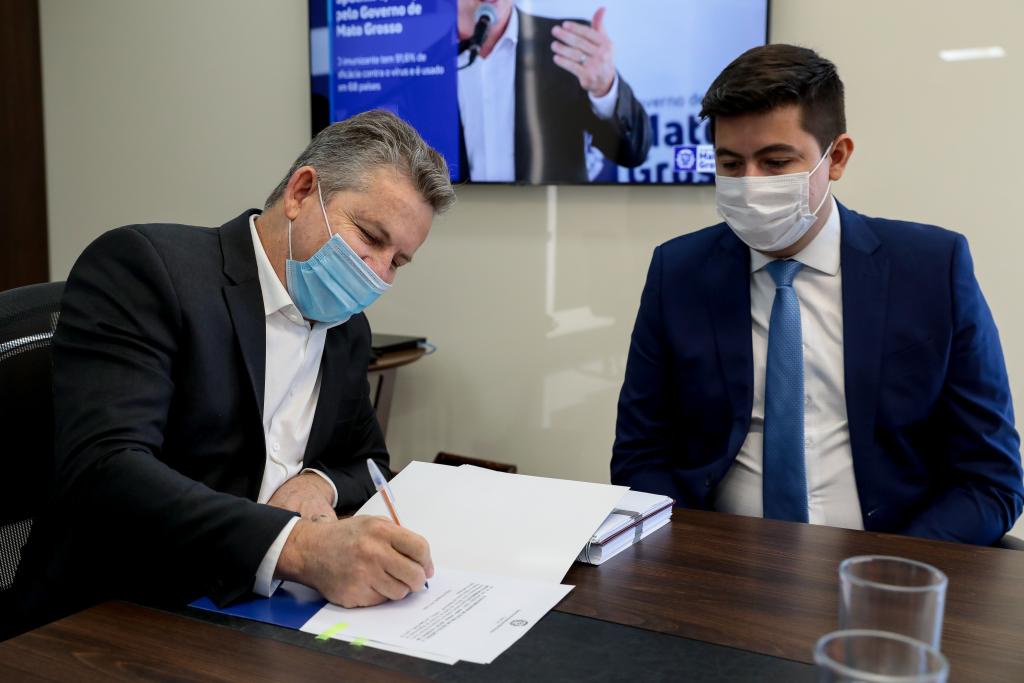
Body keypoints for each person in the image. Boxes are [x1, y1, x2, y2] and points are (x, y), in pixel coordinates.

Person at [5, 110, 455, 638]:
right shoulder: (147, 270)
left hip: (259, 612)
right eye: (371, 237)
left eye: (397, 262)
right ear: (301, 193)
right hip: (118, 613)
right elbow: (106, 470)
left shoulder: (346, 328)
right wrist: (297, 546)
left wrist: (316, 482)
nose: (377, 273)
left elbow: (366, 461)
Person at [611, 44, 1023, 545]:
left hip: (887, 560)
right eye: (730, 163)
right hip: (722, 558)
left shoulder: (932, 268)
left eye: (775, 161)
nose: (749, 184)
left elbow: (991, 479)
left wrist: (890, 569)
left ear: (838, 157)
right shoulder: (679, 271)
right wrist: (701, 557)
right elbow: (640, 456)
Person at [456, 0, 652, 183]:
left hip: (553, 209)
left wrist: (604, 89)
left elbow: (633, 153)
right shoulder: (435, 55)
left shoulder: (571, 44)